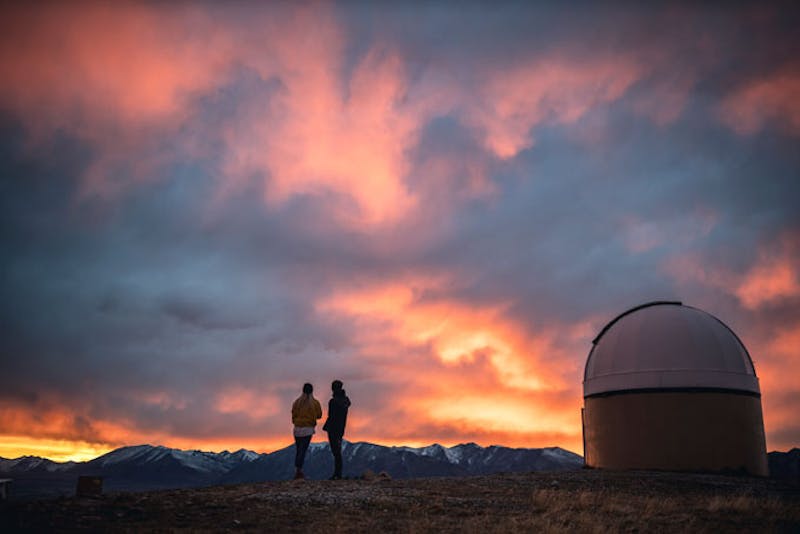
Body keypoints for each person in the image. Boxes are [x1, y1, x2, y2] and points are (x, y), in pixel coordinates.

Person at [291, 382, 322, 480]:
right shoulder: (315, 403)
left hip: (297, 428)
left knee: (299, 449)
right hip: (308, 429)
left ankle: (297, 470)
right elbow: (319, 415)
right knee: (303, 450)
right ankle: (298, 471)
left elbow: (293, 414)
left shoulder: (297, 402)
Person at [322, 379, 351, 480]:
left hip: (333, 428)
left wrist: (328, 426)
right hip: (341, 428)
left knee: (336, 451)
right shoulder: (345, 401)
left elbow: (331, 416)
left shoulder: (333, 401)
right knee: (337, 451)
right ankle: (338, 473)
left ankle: (337, 473)